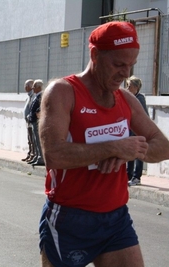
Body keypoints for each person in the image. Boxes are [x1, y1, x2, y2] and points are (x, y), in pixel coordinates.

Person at [38, 21, 169, 267]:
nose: (125, 73)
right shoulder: (63, 92)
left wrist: (128, 152)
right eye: (118, 64)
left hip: (115, 217)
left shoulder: (126, 100)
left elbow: (163, 146)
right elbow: (53, 155)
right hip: (70, 217)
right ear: (95, 55)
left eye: (131, 65)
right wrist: (113, 147)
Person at [126, 75, 149, 186]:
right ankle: (128, 175)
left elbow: (142, 116)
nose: (127, 88)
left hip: (138, 130)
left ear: (136, 87)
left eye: (129, 86)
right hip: (130, 129)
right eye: (127, 86)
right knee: (130, 152)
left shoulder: (140, 98)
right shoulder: (129, 97)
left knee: (139, 154)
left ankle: (136, 177)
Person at [27, 79, 44, 166]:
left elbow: (42, 107)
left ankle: (40, 158)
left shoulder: (41, 96)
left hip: (36, 121)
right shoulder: (36, 96)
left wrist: (37, 112)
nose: (33, 89)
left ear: (39, 87)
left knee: (38, 140)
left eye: (34, 87)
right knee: (34, 140)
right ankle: (37, 156)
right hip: (33, 121)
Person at [22, 79, 36, 162]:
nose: (25, 87)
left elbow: (32, 108)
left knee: (32, 139)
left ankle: (33, 155)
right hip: (28, 121)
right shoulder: (29, 96)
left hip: (31, 121)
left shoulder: (33, 96)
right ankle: (30, 153)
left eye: (26, 85)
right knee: (29, 139)